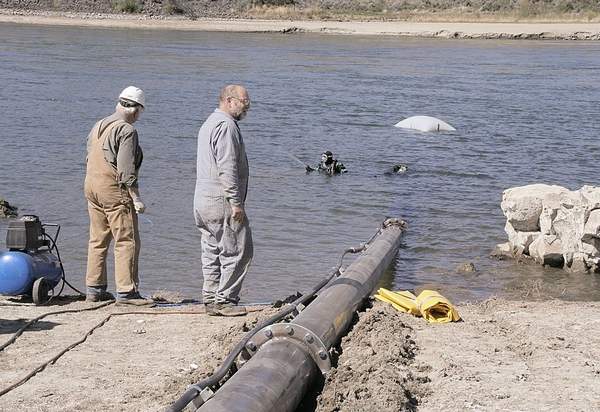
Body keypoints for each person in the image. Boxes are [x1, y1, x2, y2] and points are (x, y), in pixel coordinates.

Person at [84, 86, 152, 306]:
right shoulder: (127, 131)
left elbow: (88, 156)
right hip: (113, 189)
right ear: (135, 110)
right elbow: (125, 170)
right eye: (141, 112)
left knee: (98, 238)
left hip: (92, 185)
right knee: (127, 240)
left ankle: (94, 289)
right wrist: (136, 197)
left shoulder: (99, 125)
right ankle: (127, 292)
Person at [194, 85, 253, 317]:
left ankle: (210, 297)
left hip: (202, 198)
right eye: (244, 102)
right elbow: (226, 166)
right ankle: (225, 300)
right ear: (229, 101)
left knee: (211, 247)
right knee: (238, 249)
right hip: (221, 198)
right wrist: (236, 202)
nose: (247, 107)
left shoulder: (209, 122)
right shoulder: (227, 126)